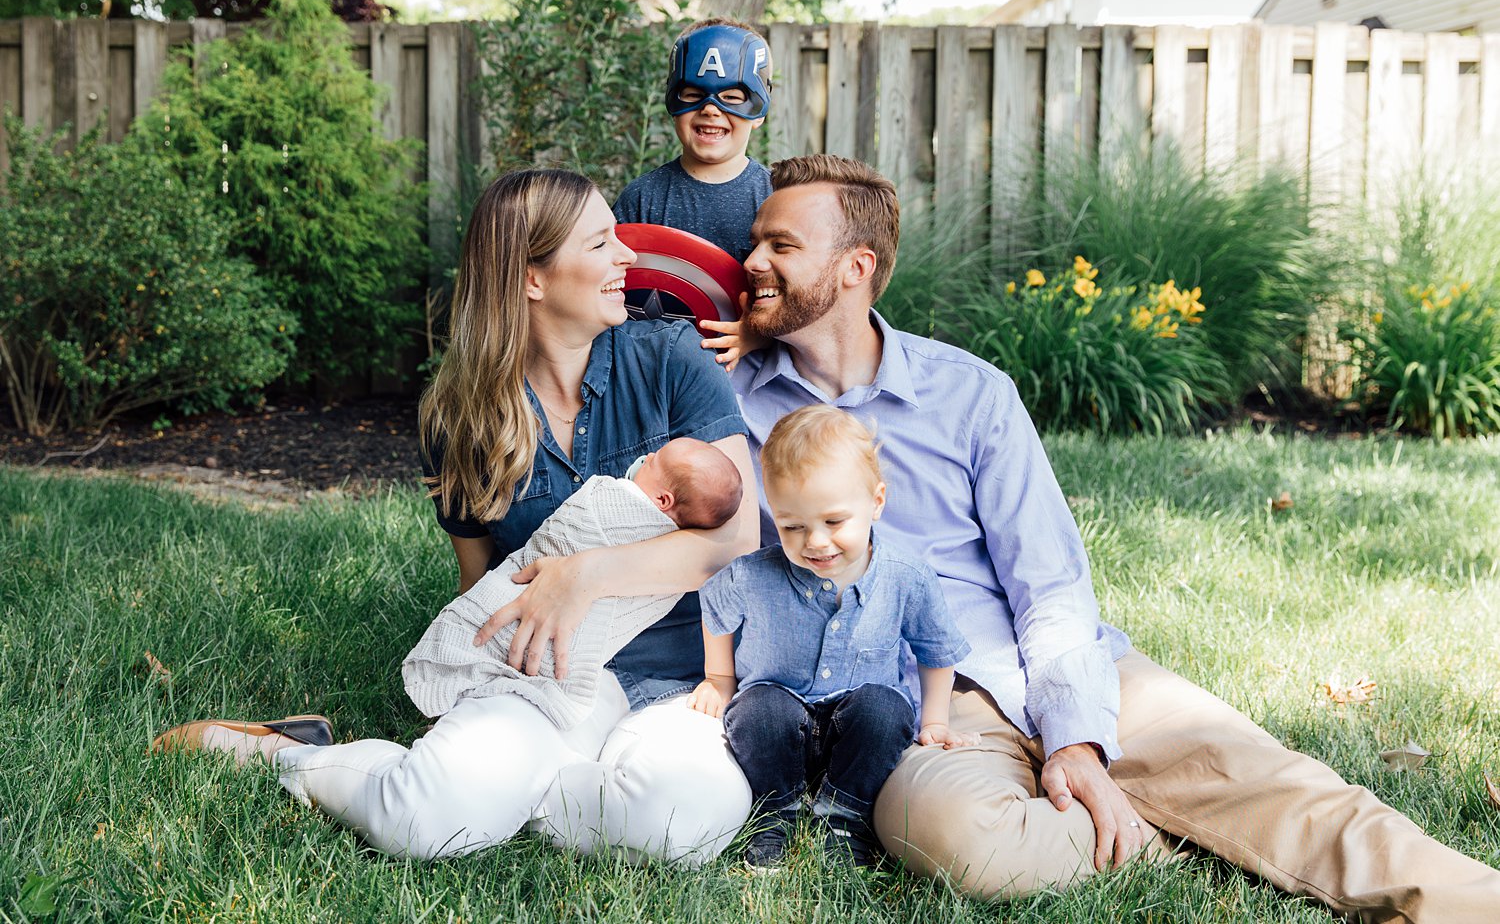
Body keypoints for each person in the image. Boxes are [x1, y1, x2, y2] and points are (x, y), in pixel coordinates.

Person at [725, 153, 1500, 921]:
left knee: (1276, 780)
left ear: (856, 266)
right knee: (957, 840)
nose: (752, 260)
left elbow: (1049, 581)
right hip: (918, 709)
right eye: (757, 241)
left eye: (780, 246)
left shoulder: (968, 393)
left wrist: (1076, 737)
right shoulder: (731, 404)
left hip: (1058, 665)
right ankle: (1175, 833)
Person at [152, 168, 760, 864]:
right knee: (426, 823)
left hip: (679, 682)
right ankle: (292, 757)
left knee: (685, 823)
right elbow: (479, 583)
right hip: (541, 676)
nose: (627, 255)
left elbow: (737, 535)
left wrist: (585, 576)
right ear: (532, 278)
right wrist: (478, 702)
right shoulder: (462, 417)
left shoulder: (672, 357)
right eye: (600, 244)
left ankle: (510, 793)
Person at [687, 404, 972, 870]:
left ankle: (845, 814)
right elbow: (715, 609)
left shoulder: (906, 578)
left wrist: (935, 720)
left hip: (858, 722)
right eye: (792, 526)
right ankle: (777, 811)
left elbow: (936, 650)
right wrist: (719, 678)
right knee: (758, 711)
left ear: (876, 502)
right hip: (779, 712)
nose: (815, 542)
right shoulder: (754, 575)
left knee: (885, 709)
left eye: (834, 522)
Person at [403, 437, 742, 730]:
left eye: (656, 461)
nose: (649, 456)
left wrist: (589, 571)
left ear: (663, 501)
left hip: (656, 678)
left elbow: (586, 527)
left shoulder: (619, 502)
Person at [612, 19, 773, 263]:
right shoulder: (641, 199)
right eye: (694, 95)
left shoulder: (776, 198)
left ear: (758, 111)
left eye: (730, 97)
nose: (710, 109)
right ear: (673, 101)